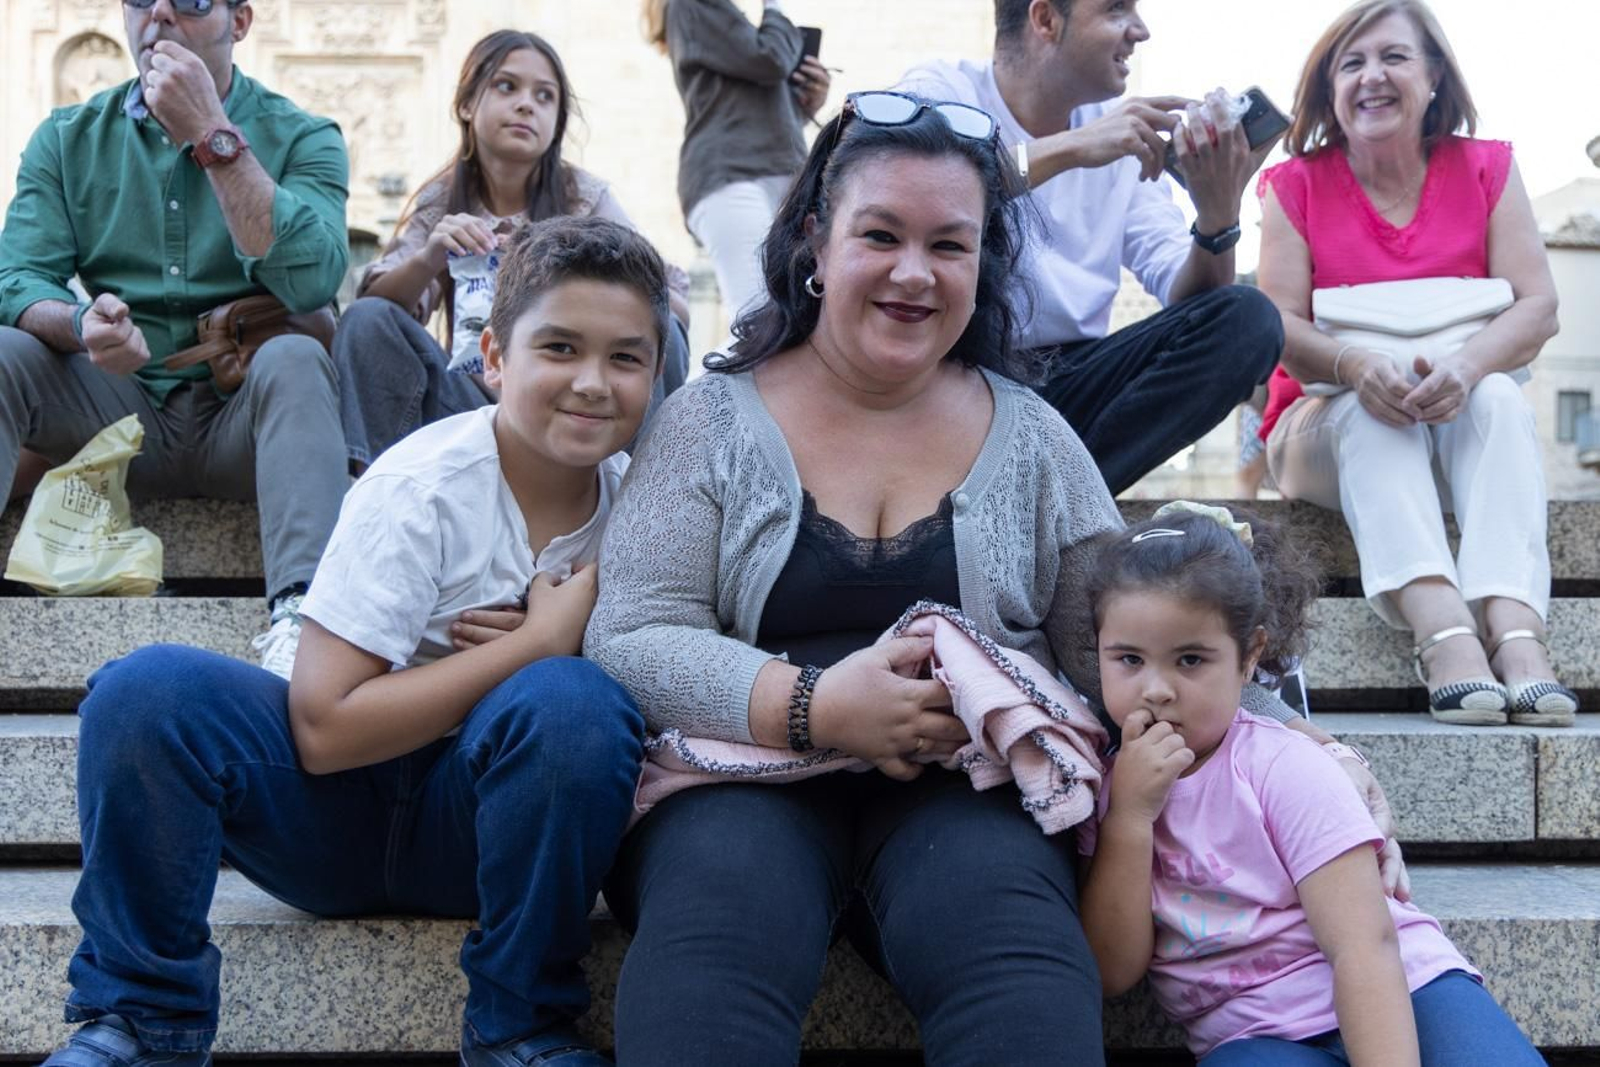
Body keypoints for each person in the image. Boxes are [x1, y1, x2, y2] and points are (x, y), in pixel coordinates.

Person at [583, 90, 1402, 1065]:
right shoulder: (708, 420)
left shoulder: (1035, 439)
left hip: (966, 788)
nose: (914, 272)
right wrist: (811, 704)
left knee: (1024, 985)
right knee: (706, 972)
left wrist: (1289, 731)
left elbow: (1118, 633)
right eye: (880, 235)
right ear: (814, 241)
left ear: (983, 264)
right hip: (735, 780)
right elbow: (632, 631)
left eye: (950, 245)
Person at [41, 216, 662, 1067]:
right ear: (492, 358)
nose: (592, 382)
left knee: (574, 704)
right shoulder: (420, 485)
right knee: (144, 693)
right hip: (325, 822)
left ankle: (519, 1023)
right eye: (559, 347)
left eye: (625, 358)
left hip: (485, 827)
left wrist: (561, 659)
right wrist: (533, 643)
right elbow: (323, 728)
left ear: (656, 373)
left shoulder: (649, 511)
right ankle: (142, 1023)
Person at [1079, 504, 1544, 1066]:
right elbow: (1113, 971)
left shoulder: (1284, 766)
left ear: (1249, 657)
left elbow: (1362, 946)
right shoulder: (1104, 792)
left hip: (1405, 990)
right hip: (1254, 1030)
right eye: (1129, 659)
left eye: (1191, 660)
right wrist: (1129, 819)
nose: (1157, 689)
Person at [0, 0, 349, 677]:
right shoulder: (67, 137)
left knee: (296, 356)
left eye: (190, 1)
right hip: (115, 409)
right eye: (140, 0)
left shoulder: (304, 136)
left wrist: (212, 134)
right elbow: (18, 279)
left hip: (244, 416)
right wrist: (80, 324)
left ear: (238, 22)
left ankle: (303, 619)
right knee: (6, 353)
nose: (159, 13)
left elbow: (313, 279)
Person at [1256, 0, 1574, 726]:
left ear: (1434, 77)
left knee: (1498, 398)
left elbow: (1539, 306)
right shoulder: (1293, 184)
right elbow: (1273, 323)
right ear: (1330, 89)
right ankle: (1444, 633)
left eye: (1393, 57)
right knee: (1375, 414)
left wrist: (1465, 369)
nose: (1372, 76)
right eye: (1351, 64)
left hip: (1456, 423)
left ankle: (1517, 632)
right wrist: (1354, 364)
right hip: (1318, 431)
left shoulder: (1489, 168)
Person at [894, 0, 1285, 496]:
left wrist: (1217, 215)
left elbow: (1192, 299)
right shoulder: (942, 90)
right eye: (1117, 10)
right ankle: (1040, 503)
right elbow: (914, 188)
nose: (1140, 31)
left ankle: (1060, 502)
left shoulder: (1122, 135)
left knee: (1247, 320)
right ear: (1045, 19)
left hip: (1067, 387)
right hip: (953, 372)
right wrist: (1075, 147)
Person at [334, 29, 691, 472]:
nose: (526, 105)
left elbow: (673, 307)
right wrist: (430, 257)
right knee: (366, 318)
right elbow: (374, 311)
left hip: (569, 402)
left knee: (664, 325)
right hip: (468, 408)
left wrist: (579, 264)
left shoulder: (584, 198)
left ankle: (644, 490)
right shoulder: (442, 200)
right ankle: (384, 488)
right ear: (467, 104)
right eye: (507, 86)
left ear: (557, 122)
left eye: (545, 96)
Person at [642, 0, 830, 343]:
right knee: (758, 315)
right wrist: (774, 8)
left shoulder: (721, 16)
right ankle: (715, 381)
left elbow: (751, 108)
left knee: (801, 312)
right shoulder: (691, 5)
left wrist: (804, 103)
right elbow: (771, 59)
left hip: (775, 174)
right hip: (730, 175)